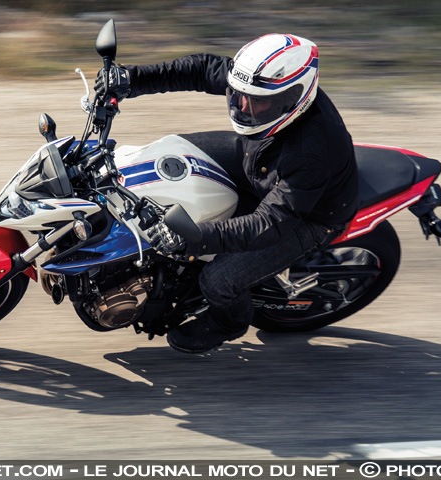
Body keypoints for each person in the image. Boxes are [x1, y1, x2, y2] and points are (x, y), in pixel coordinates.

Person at [95, 33, 360, 354]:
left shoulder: (310, 152)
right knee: (169, 154)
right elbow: (201, 70)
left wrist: (193, 238)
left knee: (217, 279)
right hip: (260, 156)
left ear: (293, 97)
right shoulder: (262, 89)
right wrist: (131, 79)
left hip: (310, 216)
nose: (243, 106)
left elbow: (271, 224)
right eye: (237, 95)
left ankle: (228, 322)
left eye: (257, 101)